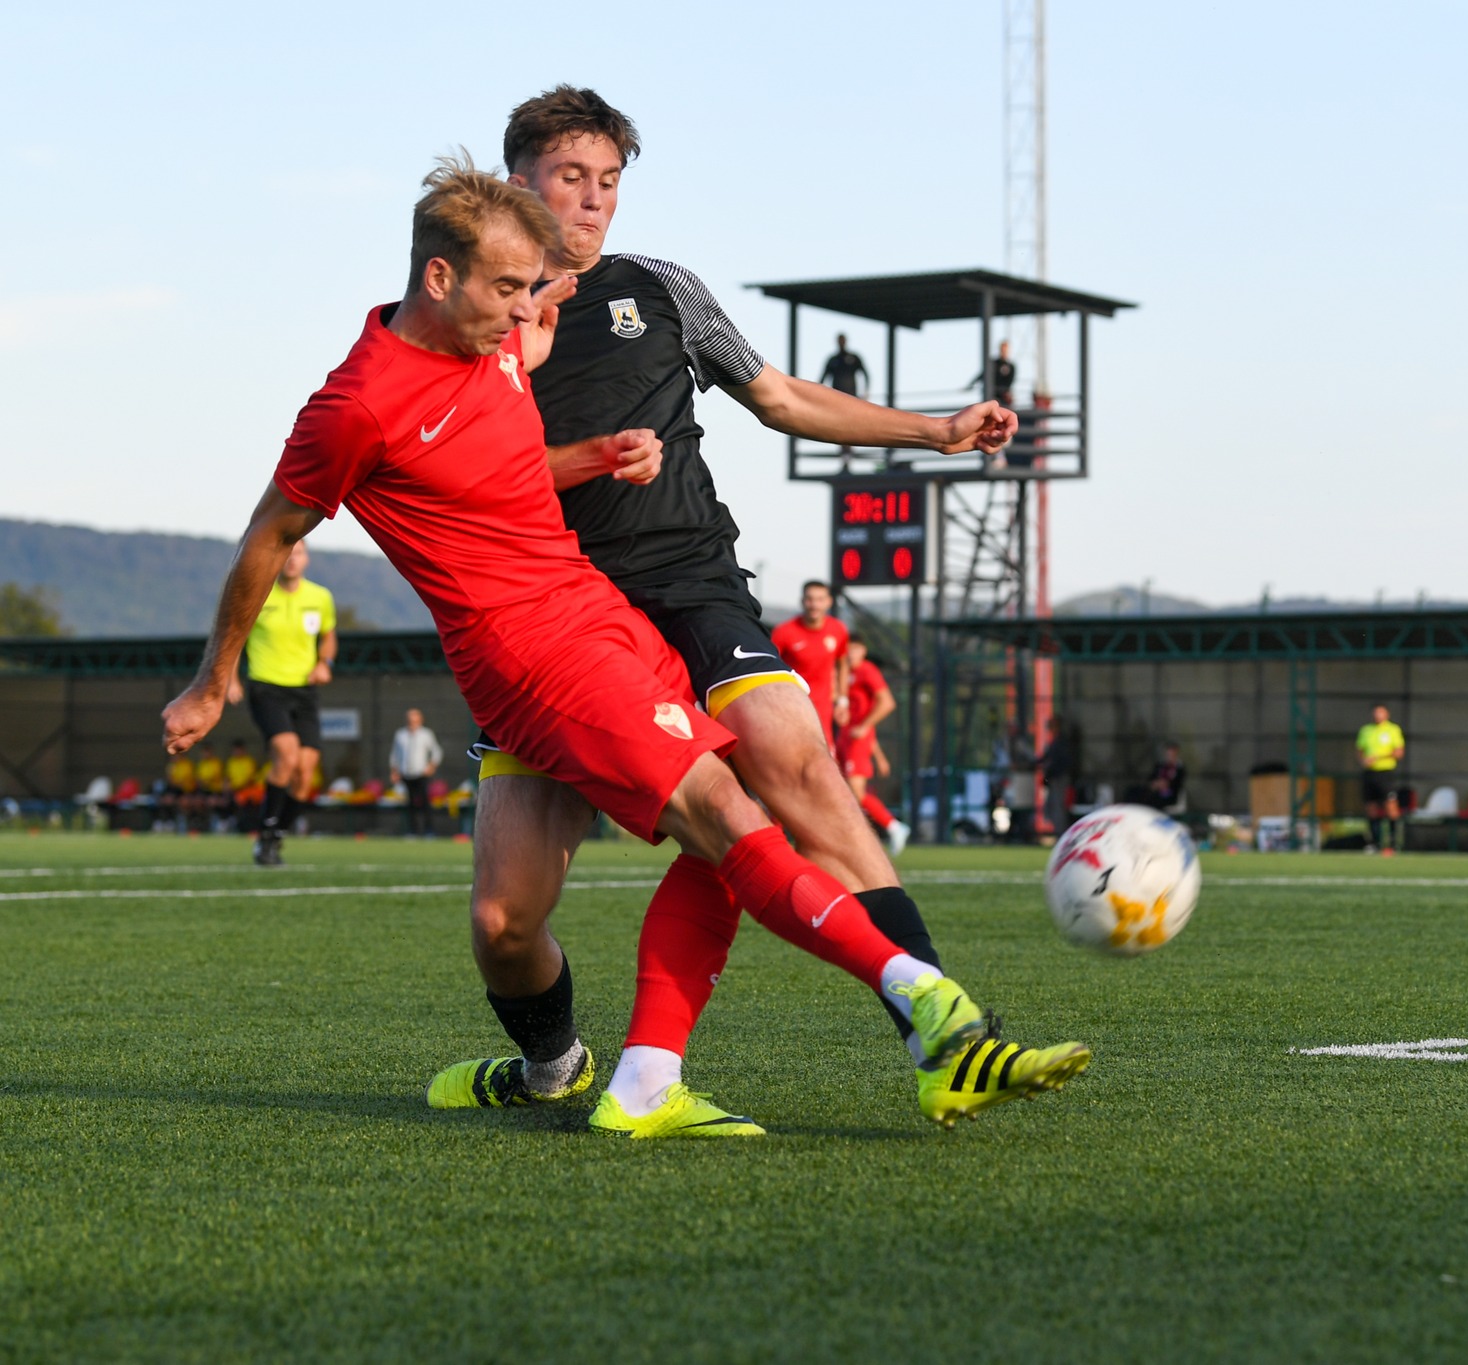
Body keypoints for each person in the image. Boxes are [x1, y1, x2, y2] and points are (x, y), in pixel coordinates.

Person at [161, 155, 1084, 1141]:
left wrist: (593, 449)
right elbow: (270, 535)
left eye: (532, 291)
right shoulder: (357, 406)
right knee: (549, 904)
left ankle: (776, 1046)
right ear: (439, 279)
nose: (525, 313)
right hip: (525, 658)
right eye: (508, 290)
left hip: (596, 623)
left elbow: (497, 467)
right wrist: (214, 680)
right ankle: (860, 1010)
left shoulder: (506, 343)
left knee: (734, 806)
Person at [473, 89, 1085, 1128]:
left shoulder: (660, 289)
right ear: (517, 180)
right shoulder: (474, 319)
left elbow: (782, 398)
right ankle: (553, 1066)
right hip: (552, 616)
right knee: (504, 920)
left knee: (795, 768)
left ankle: (947, 1041)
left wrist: (933, 434)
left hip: (690, 582)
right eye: (570, 176)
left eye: (609, 181)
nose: (592, 201)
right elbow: (455, 473)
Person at [224, 540, 335, 864]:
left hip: (305, 690)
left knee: (305, 772)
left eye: (297, 553)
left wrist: (324, 663)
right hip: (266, 685)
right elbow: (233, 638)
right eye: (286, 552)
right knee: (286, 754)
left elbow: (328, 636)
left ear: (306, 559)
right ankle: (267, 835)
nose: (291, 559)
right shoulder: (259, 594)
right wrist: (230, 679)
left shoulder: (320, 597)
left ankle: (273, 835)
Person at [840, 634, 910, 855]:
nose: (851, 653)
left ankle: (893, 826)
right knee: (844, 791)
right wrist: (879, 756)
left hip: (857, 740)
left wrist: (865, 726)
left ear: (863, 651)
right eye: (848, 649)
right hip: (846, 738)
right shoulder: (844, 674)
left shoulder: (867, 671)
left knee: (856, 792)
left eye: (855, 649)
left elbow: (887, 702)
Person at [771, 581, 850, 749]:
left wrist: (842, 701)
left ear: (829, 602)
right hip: (791, 707)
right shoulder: (784, 632)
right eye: (810, 599)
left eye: (820, 599)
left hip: (823, 709)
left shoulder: (838, 629)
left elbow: (843, 664)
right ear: (802, 601)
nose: (815, 605)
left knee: (826, 760)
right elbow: (769, 667)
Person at [1355, 704, 1406, 853]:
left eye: (1381, 713)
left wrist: (1378, 757)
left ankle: (1394, 842)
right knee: (1371, 808)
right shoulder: (1366, 730)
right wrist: (1364, 760)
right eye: (1376, 713)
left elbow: (1398, 752)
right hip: (1370, 773)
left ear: (1386, 714)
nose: (1378, 716)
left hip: (1386, 772)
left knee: (1391, 807)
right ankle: (1375, 843)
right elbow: (1359, 750)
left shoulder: (1393, 730)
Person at [389, 708, 444, 837]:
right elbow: (395, 754)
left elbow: (437, 751)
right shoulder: (400, 735)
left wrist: (431, 766)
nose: (412, 723)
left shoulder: (426, 734)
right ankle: (412, 831)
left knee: (425, 802)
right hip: (406, 773)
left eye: (415, 720)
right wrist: (394, 771)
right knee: (410, 803)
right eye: (410, 720)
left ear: (420, 721)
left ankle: (429, 830)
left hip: (421, 774)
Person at [1035, 714, 1075, 837]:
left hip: (1060, 778)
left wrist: (1050, 772)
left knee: (1059, 806)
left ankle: (1061, 833)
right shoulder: (1055, 741)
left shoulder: (1061, 742)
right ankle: (1058, 831)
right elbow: (1044, 758)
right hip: (1054, 778)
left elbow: (1060, 761)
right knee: (1052, 806)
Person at [1125, 742, 1186, 812]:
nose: (1170, 756)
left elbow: (1177, 784)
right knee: (1133, 791)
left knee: (1154, 798)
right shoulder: (1160, 766)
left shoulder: (1179, 769)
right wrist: (1155, 783)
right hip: (1154, 790)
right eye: (1168, 754)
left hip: (1168, 794)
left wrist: (1165, 785)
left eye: (1172, 754)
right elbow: (1151, 778)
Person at [968, 338, 1017, 408]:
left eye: (1006, 349)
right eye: (1003, 349)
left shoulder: (1011, 366)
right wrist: (971, 384)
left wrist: (1006, 392)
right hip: (992, 395)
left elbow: (1010, 381)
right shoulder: (994, 363)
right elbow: (983, 375)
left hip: (1003, 397)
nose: (1004, 351)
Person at [819, 334, 868, 398]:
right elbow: (823, 378)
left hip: (851, 395)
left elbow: (865, 374)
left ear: (845, 341)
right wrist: (819, 394)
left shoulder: (854, 358)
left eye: (842, 340)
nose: (841, 343)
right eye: (840, 341)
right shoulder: (833, 360)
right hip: (836, 396)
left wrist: (866, 391)